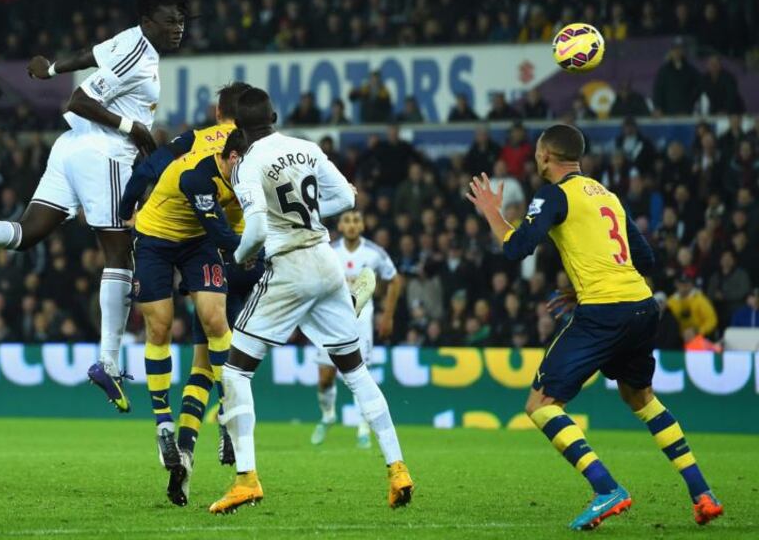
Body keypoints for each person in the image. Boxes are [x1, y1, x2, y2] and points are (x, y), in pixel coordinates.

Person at [0, 0, 188, 413]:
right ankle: (108, 362)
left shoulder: (129, 39)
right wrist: (135, 129)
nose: (178, 28)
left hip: (70, 149)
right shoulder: (139, 55)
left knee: (26, 233)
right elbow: (79, 100)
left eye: (181, 21)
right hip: (103, 152)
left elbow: (88, 55)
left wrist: (50, 69)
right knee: (119, 254)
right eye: (169, 21)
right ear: (148, 22)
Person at [466, 124, 722, 530]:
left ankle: (607, 489)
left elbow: (516, 248)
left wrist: (491, 212)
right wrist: (583, 284)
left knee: (541, 404)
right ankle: (703, 494)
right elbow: (645, 259)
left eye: (537, 151)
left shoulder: (553, 194)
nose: (535, 157)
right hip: (642, 307)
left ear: (545, 155)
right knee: (641, 399)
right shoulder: (607, 195)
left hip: (604, 313)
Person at [210, 88, 413, 514]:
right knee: (355, 372)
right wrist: (310, 216)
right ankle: (398, 469)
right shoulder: (306, 147)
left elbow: (257, 230)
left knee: (235, 371)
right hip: (326, 260)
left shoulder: (248, 163)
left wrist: (238, 257)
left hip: (288, 266)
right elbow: (347, 198)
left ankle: (246, 479)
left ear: (239, 127)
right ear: (274, 117)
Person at [117, 83, 255, 506]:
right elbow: (229, 230)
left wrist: (125, 208)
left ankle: (225, 415)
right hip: (158, 238)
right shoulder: (221, 162)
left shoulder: (199, 140)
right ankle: (164, 425)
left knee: (206, 323)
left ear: (219, 113)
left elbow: (149, 166)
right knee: (167, 327)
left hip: (199, 243)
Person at [311, 210, 404, 449]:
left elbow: (395, 280)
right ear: (340, 226)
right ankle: (328, 415)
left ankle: (363, 428)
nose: (352, 225)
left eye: (356, 221)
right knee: (325, 378)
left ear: (362, 226)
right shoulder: (329, 251)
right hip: (331, 320)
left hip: (361, 321)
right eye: (347, 221)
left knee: (359, 373)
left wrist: (388, 316)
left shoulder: (374, 253)